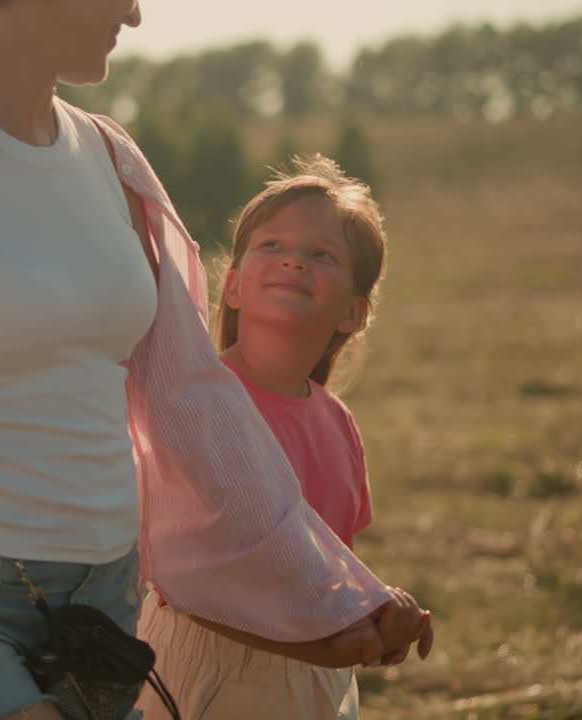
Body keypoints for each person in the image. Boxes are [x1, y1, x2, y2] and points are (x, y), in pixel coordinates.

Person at [0, 3, 428, 719]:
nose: (136, 12)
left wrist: (337, 602)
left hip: (102, 607)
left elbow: (197, 407)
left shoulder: (113, 162)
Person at [136, 155, 433, 720]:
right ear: (234, 286)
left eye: (322, 254)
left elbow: (323, 568)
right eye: (271, 245)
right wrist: (318, 641)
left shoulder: (338, 425)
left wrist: (382, 612)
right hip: (205, 666)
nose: (293, 259)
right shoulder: (197, 405)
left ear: (353, 312)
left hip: (316, 679)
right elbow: (192, 580)